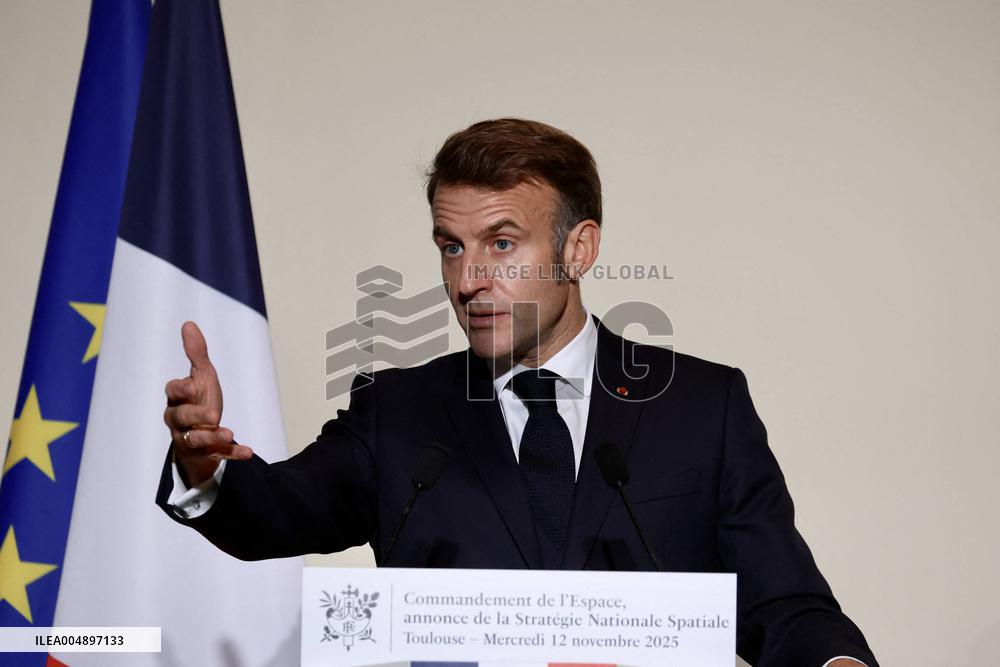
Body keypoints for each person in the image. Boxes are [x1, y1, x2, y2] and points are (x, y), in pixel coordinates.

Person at [157, 118, 878, 666]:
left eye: (502, 243)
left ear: (578, 248)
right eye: (451, 245)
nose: (468, 279)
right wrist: (203, 463)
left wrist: (836, 661)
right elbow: (275, 513)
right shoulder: (399, 413)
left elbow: (784, 602)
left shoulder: (700, 408)